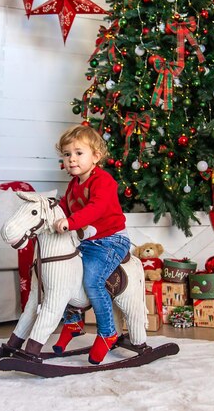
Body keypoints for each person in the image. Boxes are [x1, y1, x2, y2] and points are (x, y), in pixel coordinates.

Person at [52, 124, 131, 364]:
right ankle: (73, 321)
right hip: (88, 241)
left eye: (78, 153)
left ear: (96, 156)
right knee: (66, 274)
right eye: (67, 154)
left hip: (110, 240)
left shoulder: (103, 181)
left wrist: (70, 222)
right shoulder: (73, 184)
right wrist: (52, 214)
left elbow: (95, 209)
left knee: (93, 281)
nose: (72, 159)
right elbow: (65, 206)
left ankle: (107, 332)